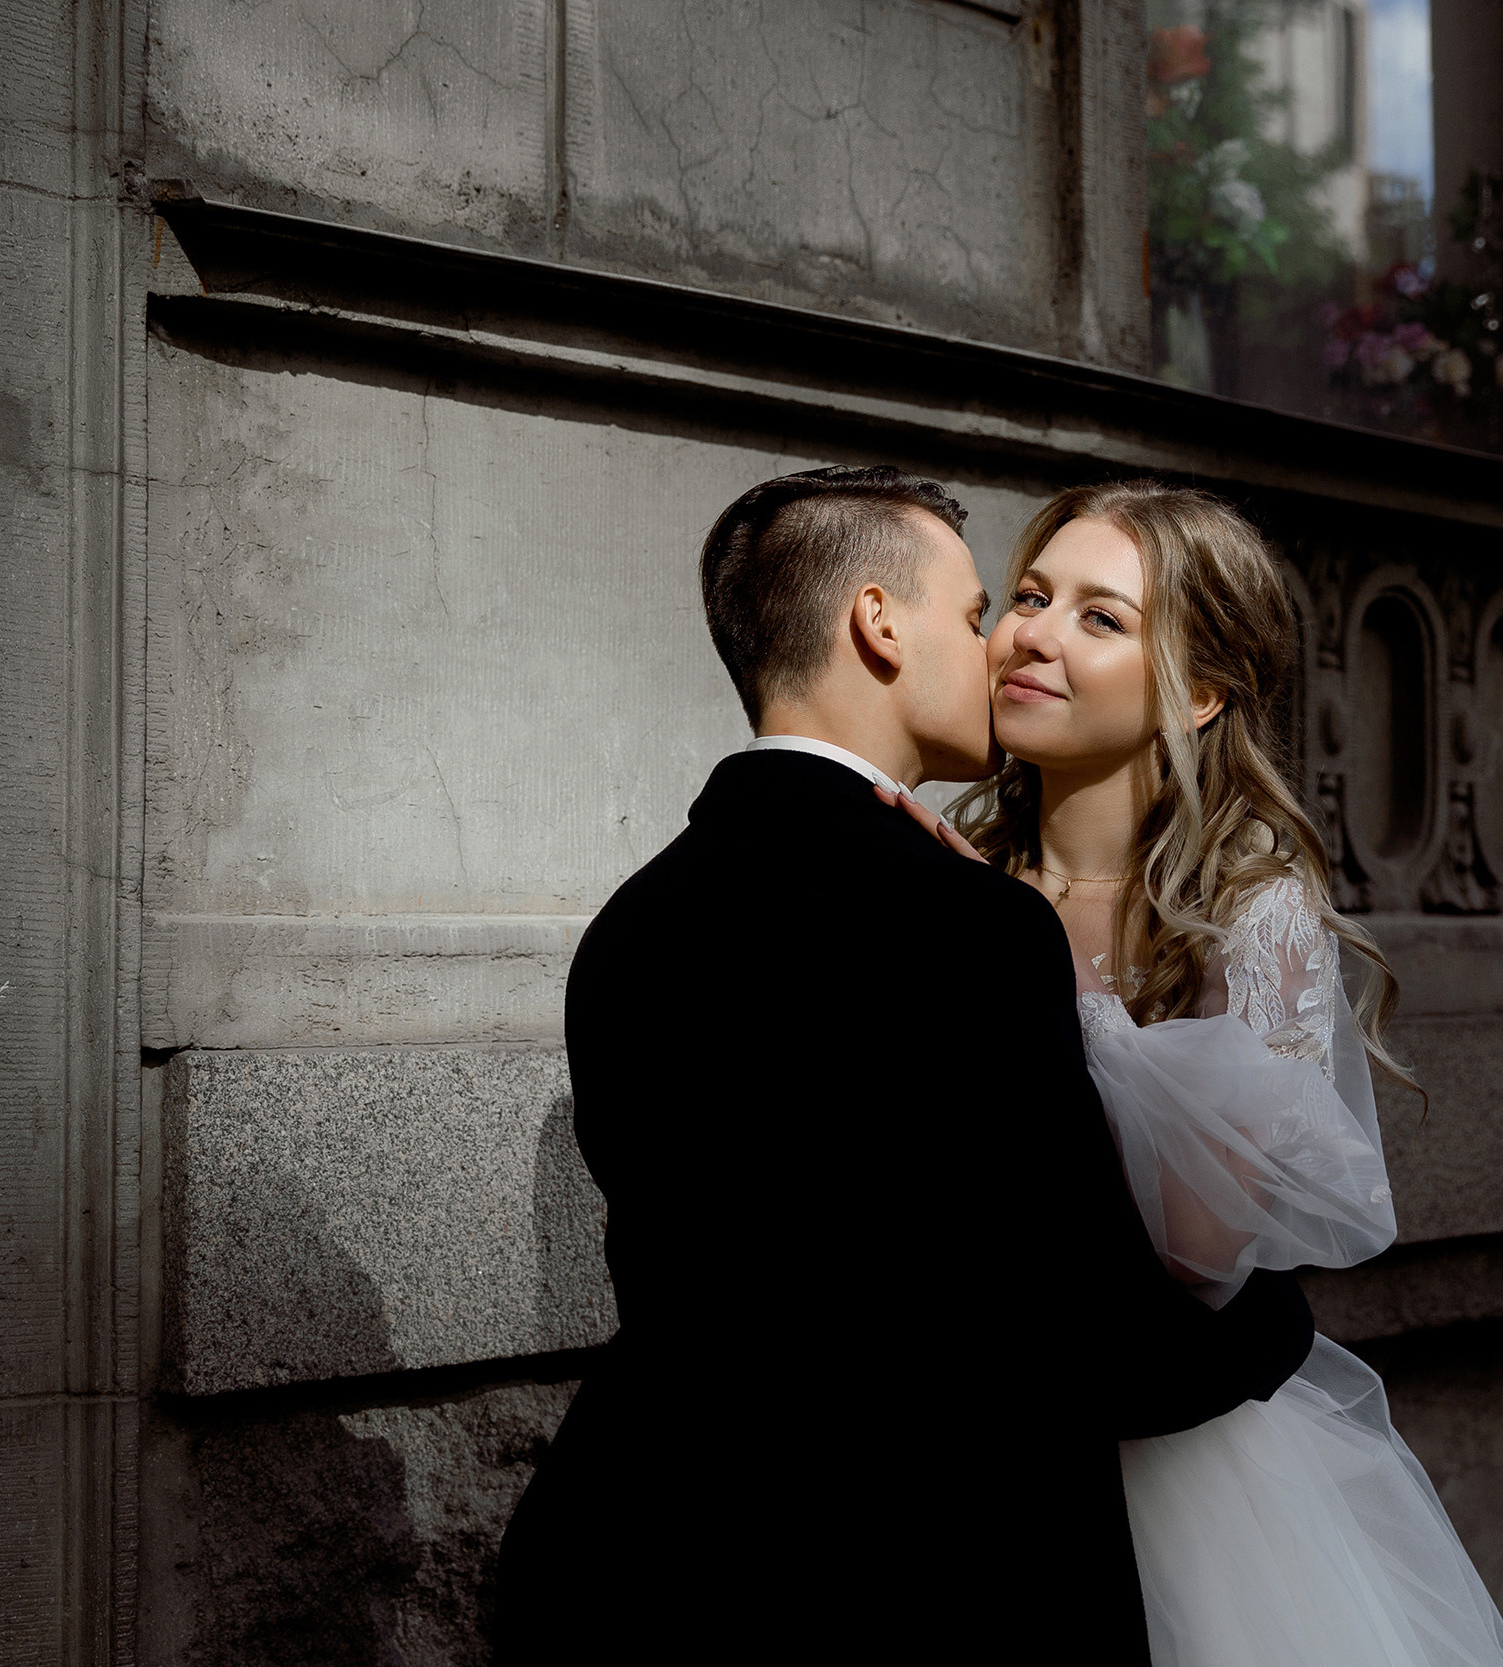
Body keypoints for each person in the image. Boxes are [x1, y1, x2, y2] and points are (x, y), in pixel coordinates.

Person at [495, 465, 1321, 1664]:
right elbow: (1075, 1339)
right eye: (985, 608)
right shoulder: (968, 928)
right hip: (908, 1581)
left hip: (627, 1562)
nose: (1006, 645)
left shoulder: (632, 922)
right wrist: (1281, 1327)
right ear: (879, 624)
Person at [897, 478, 1503, 1667]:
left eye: (1100, 616)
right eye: (1028, 595)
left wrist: (1040, 985)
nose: (1030, 634)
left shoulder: (1251, 911)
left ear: (1195, 691)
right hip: (971, 1446)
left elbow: (1199, 1246)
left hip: (1180, 1461)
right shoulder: (945, 875)